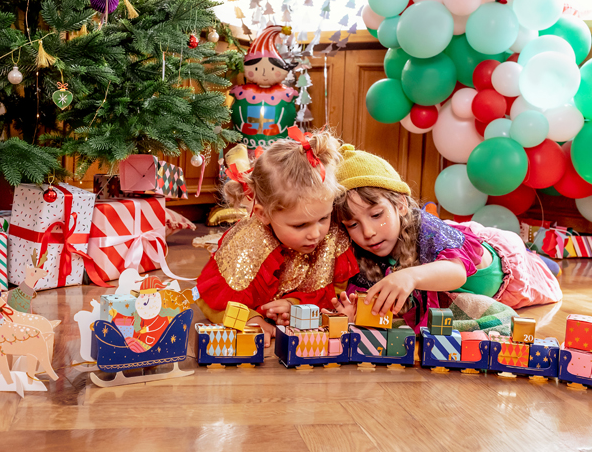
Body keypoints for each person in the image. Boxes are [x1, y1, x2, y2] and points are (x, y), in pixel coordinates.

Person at [331, 145, 562, 332]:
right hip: (435, 242)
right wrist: (356, 312)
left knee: (538, 268)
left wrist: (410, 275)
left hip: (501, 261)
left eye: (376, 215)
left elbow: (457, 273)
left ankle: (540, 259)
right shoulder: (364, 253)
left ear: (401, 204)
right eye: (353, 224)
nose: (368, 232)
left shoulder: (426, 228)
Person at [194, 128, 359, 345]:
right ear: (263, 215)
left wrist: (296, 306)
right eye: (300, 225)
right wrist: (249, 319)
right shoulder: (248, 243)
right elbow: (209, 301)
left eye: (324, 218)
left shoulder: (332, 238)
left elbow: (337, 292)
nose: (316, 233)